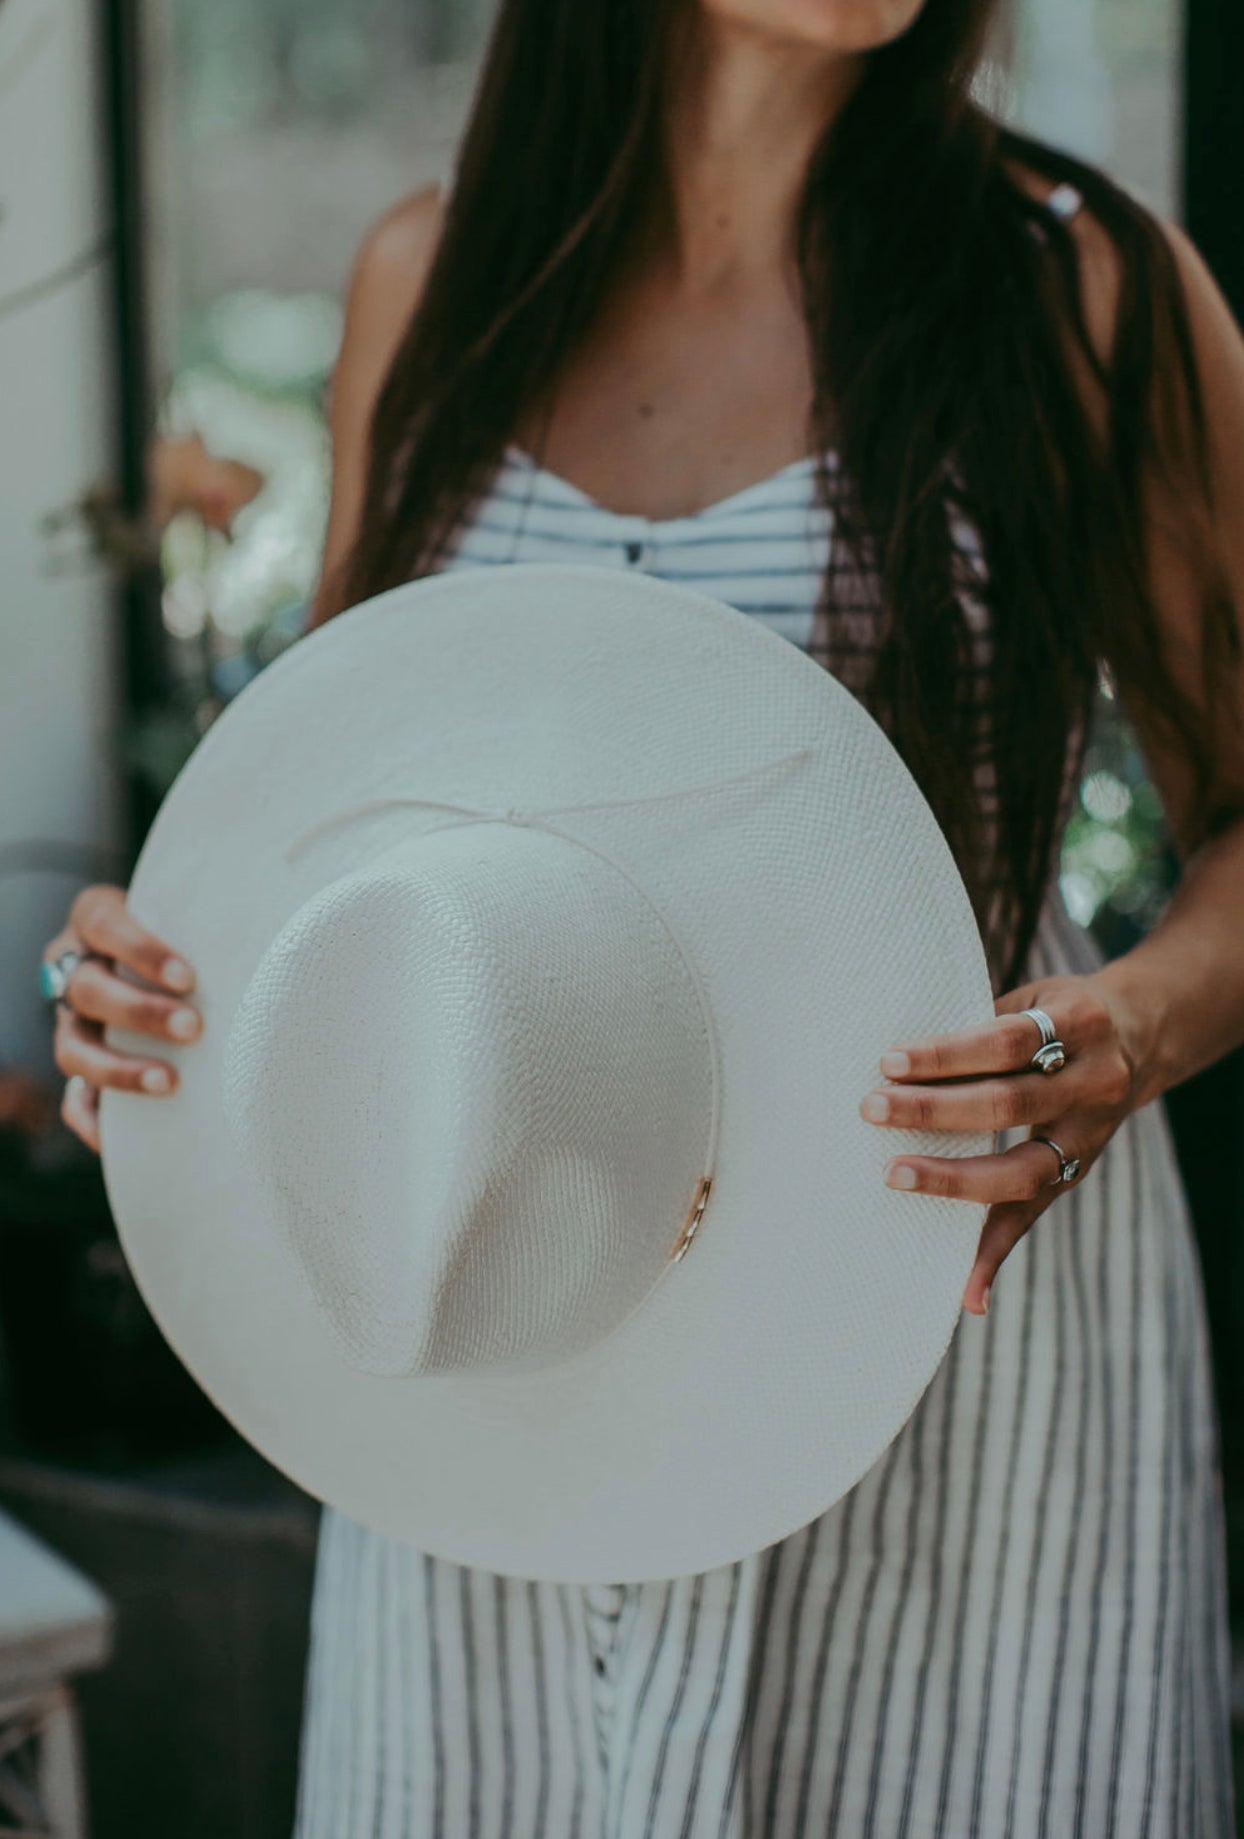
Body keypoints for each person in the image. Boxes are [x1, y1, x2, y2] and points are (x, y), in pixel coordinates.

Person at [41, 0, 1244, 1830]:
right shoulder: (431, 282)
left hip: (954, 1328)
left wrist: (1137, 1023)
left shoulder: (1078, 287)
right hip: (510, 1352)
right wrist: (155, 988)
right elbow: (352, 812)